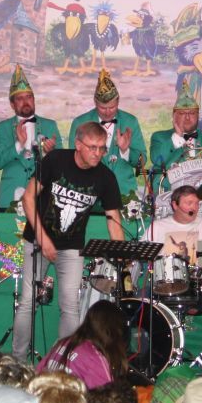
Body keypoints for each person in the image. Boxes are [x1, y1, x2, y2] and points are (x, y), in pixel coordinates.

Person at [14, 121, 123, 361]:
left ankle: (63, 363)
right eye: (92, 147)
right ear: (78, 144)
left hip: (72, 246)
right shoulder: (55, 161)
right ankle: (18, 362)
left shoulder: (106, 177)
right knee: (28, 302)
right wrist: (43, 239)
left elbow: (114, 219)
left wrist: (122, 257)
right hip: (37, 240)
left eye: (102, 148)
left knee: (71, 306)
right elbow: (28, 198)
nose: (97, 153)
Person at [67, 69, 146, 196]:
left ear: (118, 101)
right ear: (95, 102)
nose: (108, 112)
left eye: (112, 107)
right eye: (103, 108)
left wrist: (126, 151)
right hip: (90, 192)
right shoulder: (80, 123)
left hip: (124, 192)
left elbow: (142, 162)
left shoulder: (130, 122)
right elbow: (72, 161)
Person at [0, 65, 61, 210]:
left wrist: (50, 153)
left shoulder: (50, 125)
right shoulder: (3, 127)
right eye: (20, 98)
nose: (26, 101)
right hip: (10, 197)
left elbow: (61, 167)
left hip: (42, 196)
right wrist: (19, 144)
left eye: (29, 97)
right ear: (12, 104)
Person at [148, 77, 202, 189]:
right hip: (171, 193)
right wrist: (177, 137)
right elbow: (157, 160)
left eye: (191, 113)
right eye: (182, 113)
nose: (187, 117)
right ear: (174, 116)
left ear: (198, 116)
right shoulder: (160, 137)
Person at [37, 299, 129, 388]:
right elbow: (109, 396)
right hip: (66, 398)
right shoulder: (93, 358)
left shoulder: (62, 343)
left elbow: (37, 373)